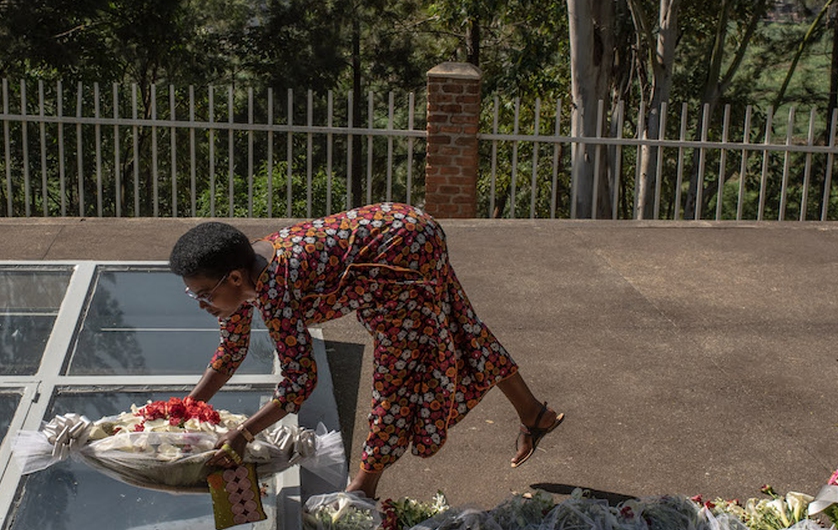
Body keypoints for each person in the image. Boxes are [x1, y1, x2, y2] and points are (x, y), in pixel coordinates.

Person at [169, 202, 563, 499]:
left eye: (204, 294)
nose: (202, 304)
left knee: (396, 376)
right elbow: (231, 351)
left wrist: (243, 434)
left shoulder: (275, 290)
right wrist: (187, 408)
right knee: (462, 327)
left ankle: (363, 488)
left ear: (235, 278)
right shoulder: (240, 279)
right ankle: (534, 414)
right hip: (398, 229)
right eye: (193, 295)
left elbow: (299, 382)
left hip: (402, 254)